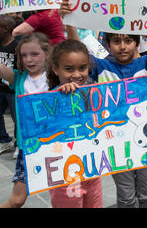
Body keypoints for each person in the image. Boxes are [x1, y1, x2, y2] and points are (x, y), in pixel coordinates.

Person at [61, 0, 147, 208]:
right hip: (116, 143)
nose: (122, 45)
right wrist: (68, 19)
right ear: (107, 44)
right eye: (116, 41)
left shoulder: (146, 63)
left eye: (128, 40)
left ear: (138, 43)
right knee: (126, 198)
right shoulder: (101, 66)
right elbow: (76, 49)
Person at [45, 39, 103, 208]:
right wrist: (60, 95)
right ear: (56, 69)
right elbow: (45, 130)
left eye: (82, 68)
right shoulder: (50, 100)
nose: (77, 74)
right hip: (64, 177)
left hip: (92, 172)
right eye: (68, 69)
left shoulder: (96, 92)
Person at [0, 33, 51, 208]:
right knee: (17, 199)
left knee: (64, 197)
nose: (29, 59)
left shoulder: (55, 78)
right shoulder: (19, 78)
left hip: (55, 145)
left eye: (34, 54)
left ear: (47, 53)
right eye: (24, 55)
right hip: (28, 147)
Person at [0, 15, 18, 155]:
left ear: (6, 29)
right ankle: (4, 139)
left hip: (12, 90)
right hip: (0, 88)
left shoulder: (16, 46)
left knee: (16, 116)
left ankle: (19, 142)